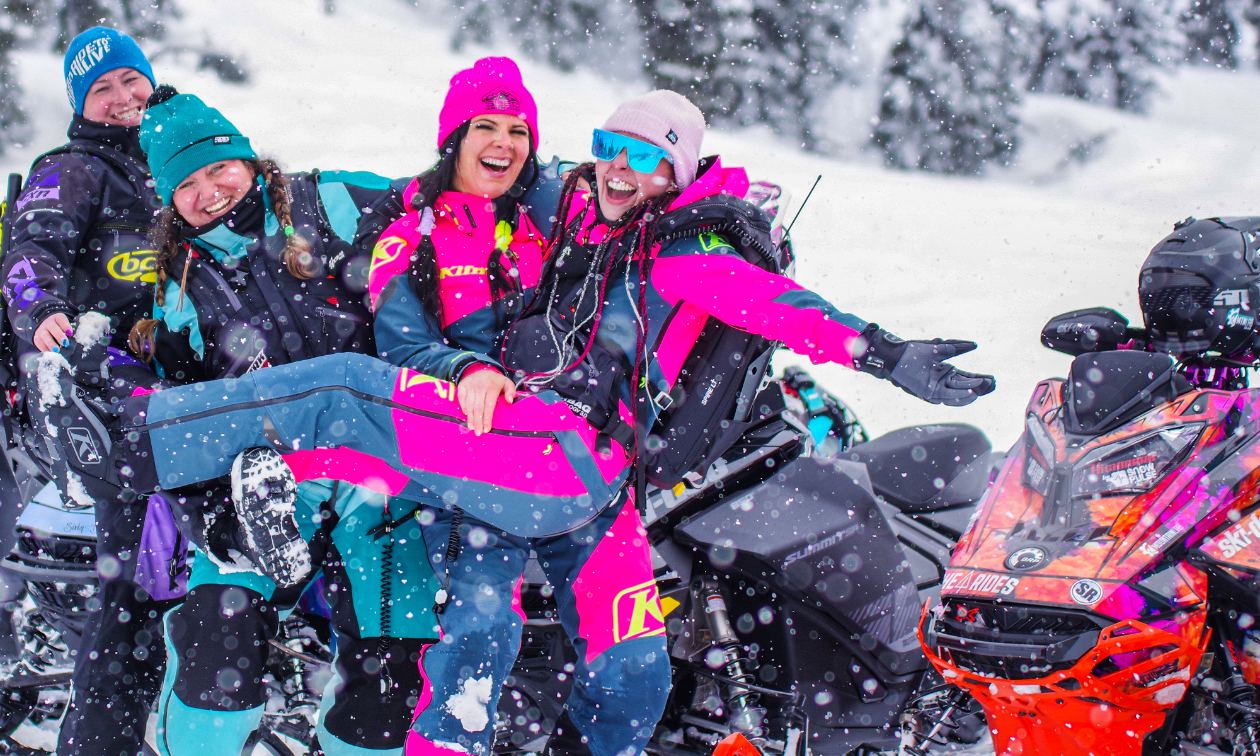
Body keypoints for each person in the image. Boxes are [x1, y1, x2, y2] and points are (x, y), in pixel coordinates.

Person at [96, 83, 994, 756]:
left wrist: (882, 352)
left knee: (341, 393)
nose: (618, 166)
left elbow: (777, 304)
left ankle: (155, 439)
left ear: (676, 178)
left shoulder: (674, 254)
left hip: (555, 448)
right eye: (609, 144)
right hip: (566, 489)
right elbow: (481, 191)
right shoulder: (567, 218)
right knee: (598, 659)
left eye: (647, 158)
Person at [108, 88, 435, 756]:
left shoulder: (333, 200)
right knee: (214, 635)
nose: (210, 192)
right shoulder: (178, 291)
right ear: (169, 201)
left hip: (380, 467)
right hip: (265, 482)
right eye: (187, 184)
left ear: (249, 161)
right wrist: (214, 520)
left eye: (218, 168)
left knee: (391, 654)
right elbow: (187, 425)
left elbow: (445, 198)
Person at [0, 26, 168, 756]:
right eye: (102, 89)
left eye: (131, 80)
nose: (123, 97)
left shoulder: (175, 161)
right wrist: (41, 314)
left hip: (171, 368)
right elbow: (28, 253)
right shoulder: (70, 168)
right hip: (84, 372)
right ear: (81, 103)